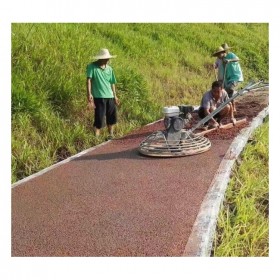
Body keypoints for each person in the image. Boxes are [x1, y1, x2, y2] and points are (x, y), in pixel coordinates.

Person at [86, 48, 120, 139]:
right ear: (100, 58)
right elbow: (89, 81)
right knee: (99, 118)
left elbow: (112, 83)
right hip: (99, 97)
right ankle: (96, 138)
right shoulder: (92, 67)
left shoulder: (109, 69)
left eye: (108, 58)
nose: (107, 60)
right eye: (105, 58)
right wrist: (89, 94)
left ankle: (111, 135)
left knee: (111, 117)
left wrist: (115, 96)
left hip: (110, 96)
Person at [221, 43, 243, 112]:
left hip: (236, 77)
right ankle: (233, 108)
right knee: (228, 93)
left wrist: (229, 60)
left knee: (229, 89)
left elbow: (237, 59)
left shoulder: (230, 54)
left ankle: (230, 107)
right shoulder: (222, 60)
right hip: (229, 78)